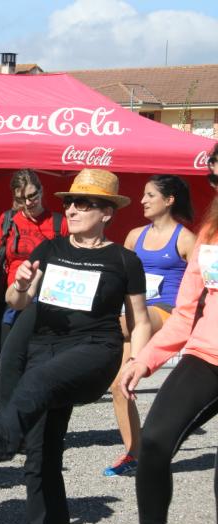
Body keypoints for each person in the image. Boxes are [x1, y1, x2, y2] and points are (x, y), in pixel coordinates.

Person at [0, 169, 151, 524]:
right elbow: (17, 300)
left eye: (83, 203)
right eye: (69, 202)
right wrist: (21, 285)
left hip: (94, 350)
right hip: (45, 346)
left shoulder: (123, 260)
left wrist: (137, 361)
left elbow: (140, 320)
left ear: (107, 213)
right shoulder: (51, 249)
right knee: (41, 456)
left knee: (38, 379)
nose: (71, 210)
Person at [121, 179, 218, 524]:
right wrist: (145, 359)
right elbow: (185, 312)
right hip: (206, 356)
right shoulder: (209, 233)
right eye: (216, 178)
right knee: (154, 444)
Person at [104, 174, 195, 477]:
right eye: (143, 195)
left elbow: (202, 284)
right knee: (119, 386)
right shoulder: (133, 236)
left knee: (126, 321)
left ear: (169, 200)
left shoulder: (185, 239)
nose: (142, 200)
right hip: (134, 315)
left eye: (150, 195)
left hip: (167, 312)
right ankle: (134, 453)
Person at [0, 169, 68, 413]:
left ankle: (34, 412)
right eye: (21, 199)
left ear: (42, 191)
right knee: (11, 359)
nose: (28, 203)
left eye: (32, 196)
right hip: (13, 300)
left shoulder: (58, 222)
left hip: (47, 301)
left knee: (40, 360)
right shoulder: (9, 219)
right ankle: (13, 414)